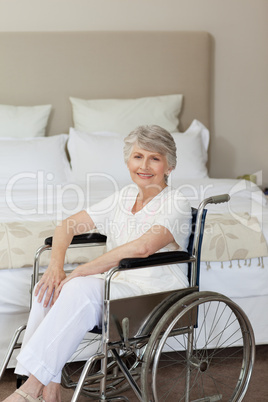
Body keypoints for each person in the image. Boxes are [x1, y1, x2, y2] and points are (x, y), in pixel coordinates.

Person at [3, 125, 191, 402]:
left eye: (155, 158)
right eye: (138, 156)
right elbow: (67, 225)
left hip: (155, 293)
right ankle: (51, 389)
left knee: (78, 287)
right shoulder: (123, 198)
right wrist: (56, 268)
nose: (145, 166)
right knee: (48, 289)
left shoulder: (176, 202)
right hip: (117, 284)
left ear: (169, 166)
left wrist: (80, 270)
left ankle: (31, 389)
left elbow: (143, 247)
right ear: (128, 161)